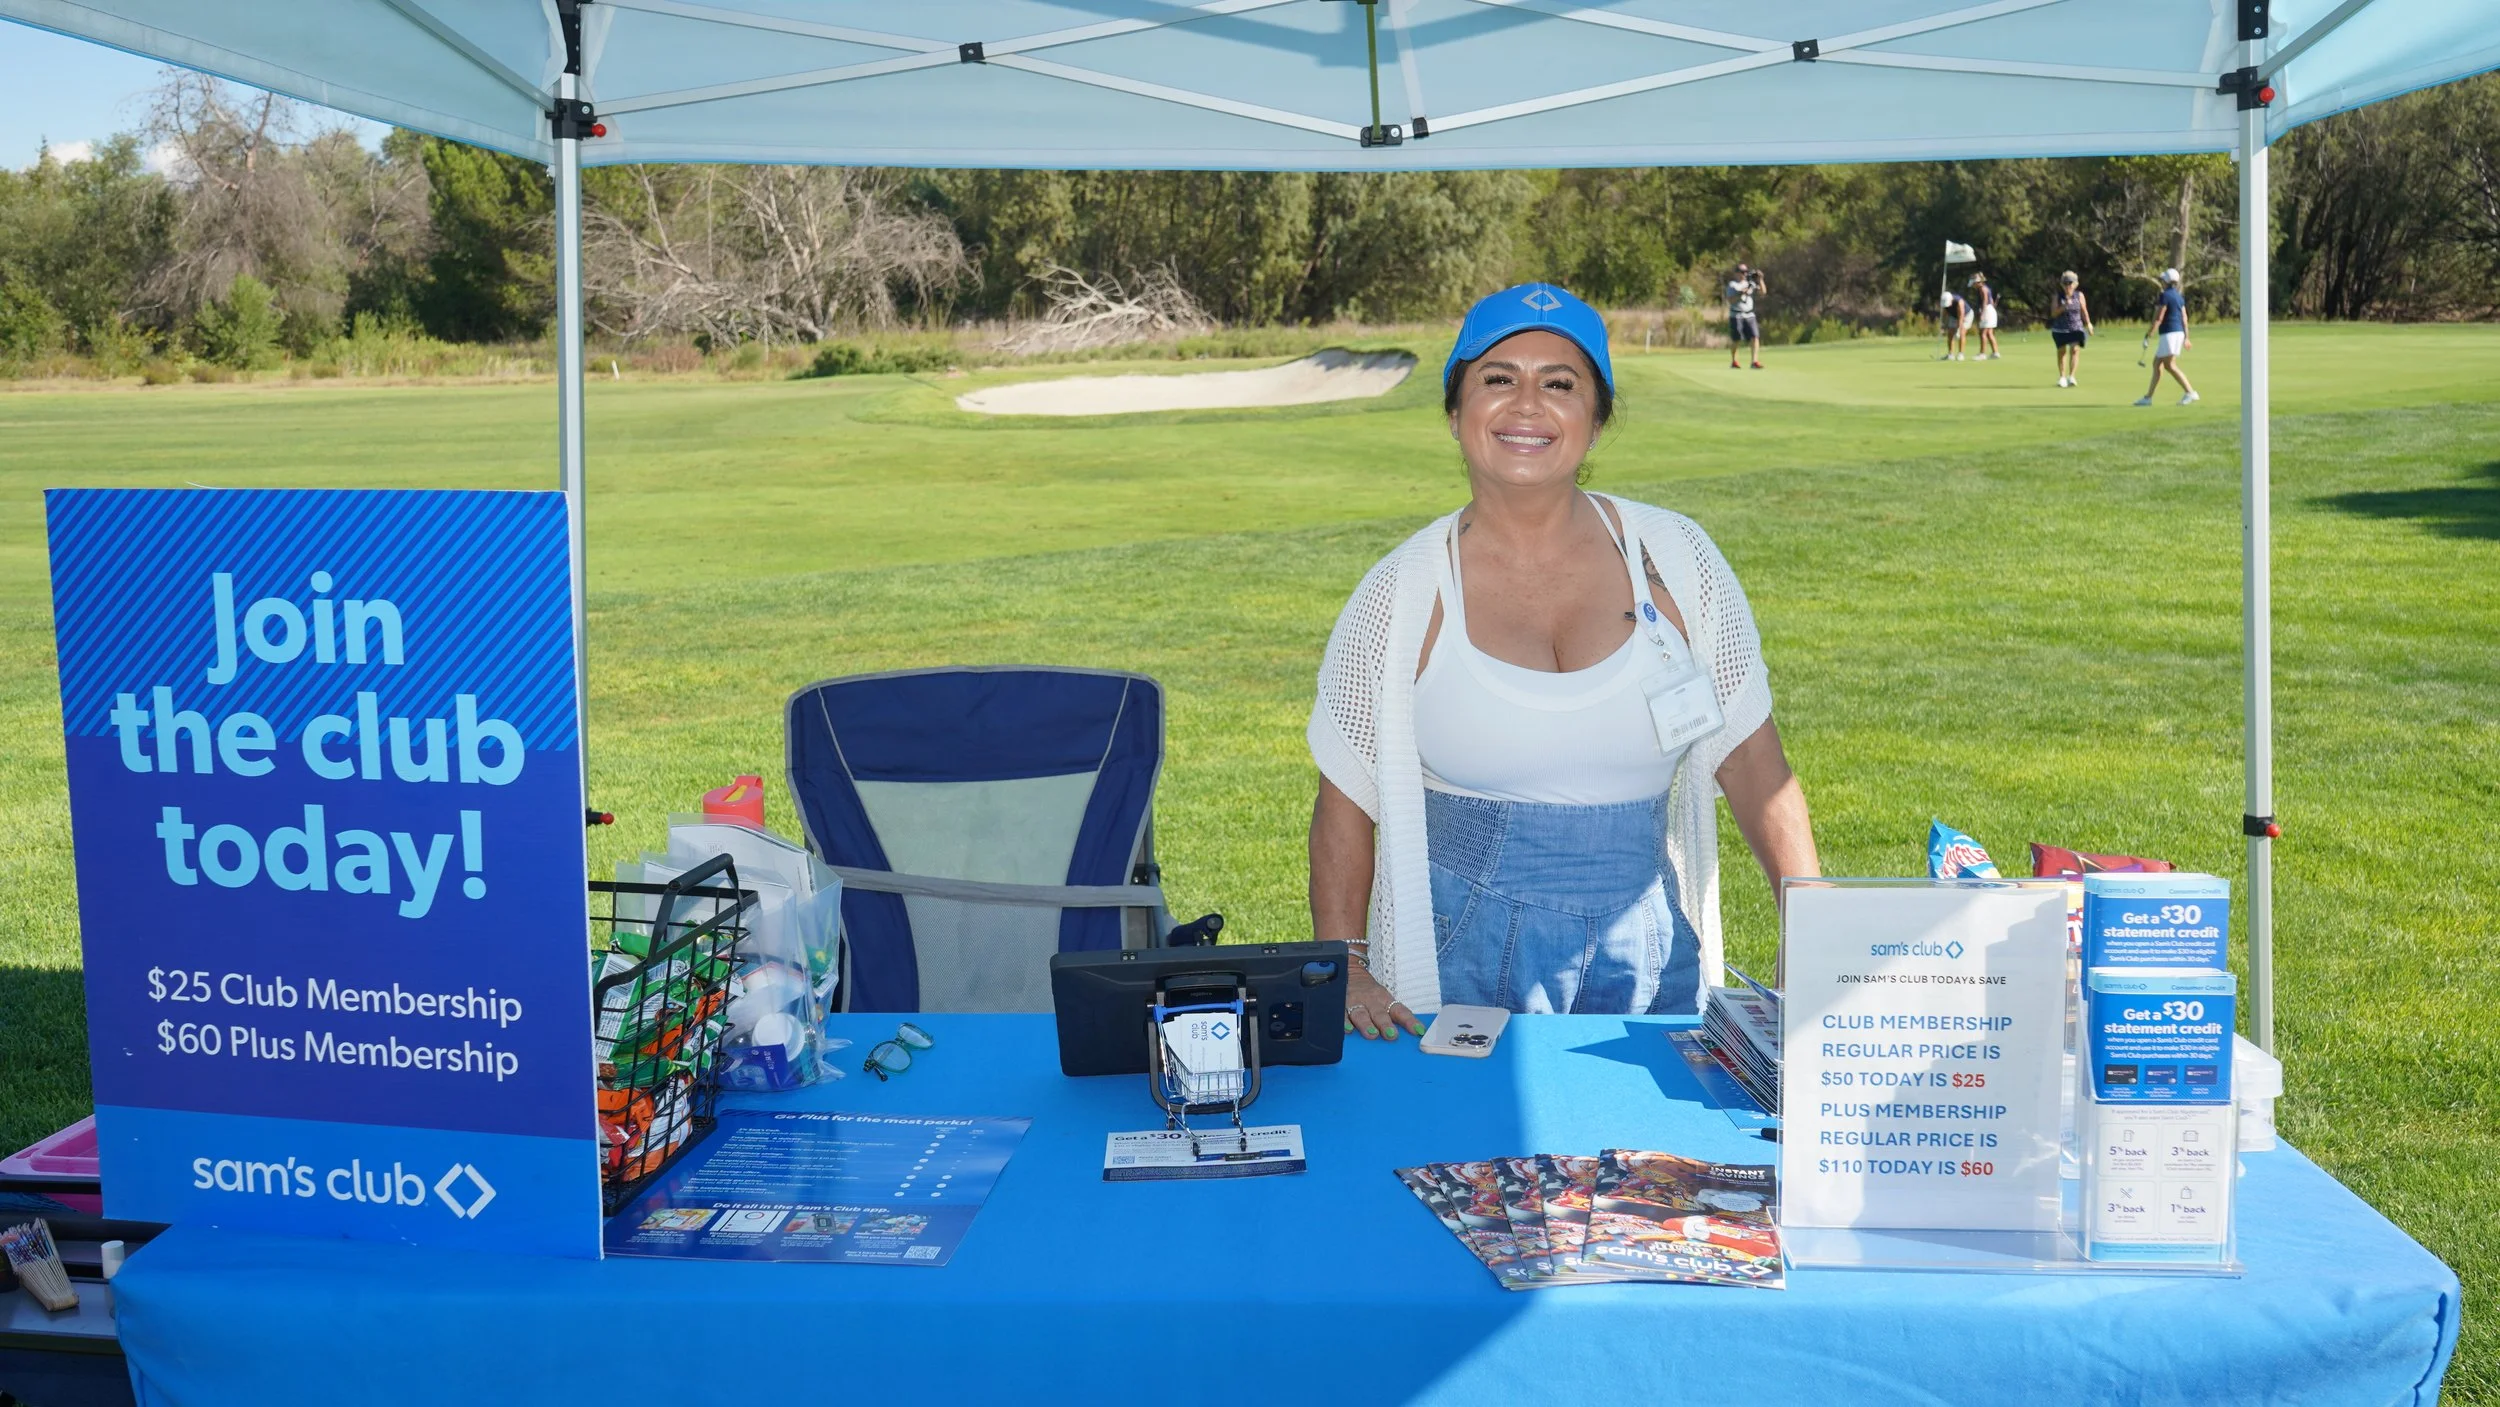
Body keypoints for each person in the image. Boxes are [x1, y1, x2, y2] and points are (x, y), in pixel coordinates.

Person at [1307, 283, 1820, 1038]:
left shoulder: (1680, 561)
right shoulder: (1401, 592)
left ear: (1596, 417)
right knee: (1466, 1156)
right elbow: (1345, 800)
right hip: (1458, 958)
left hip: (1648, 954)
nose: (1526, 404)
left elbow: (1754, 764)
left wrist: (1814, 929)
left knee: (1656, 1156)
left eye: (1559, 383)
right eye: (1497, 378)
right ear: (1455, 414)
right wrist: (1345, 962)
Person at [2137, 268, 2199, 405]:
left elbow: (2159, 317)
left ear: (2165, 281)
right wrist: (2186, 337)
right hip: (2178, 333)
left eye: (2162, 280)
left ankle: (2190, 392)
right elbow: (2184, 318)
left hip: (2170, 334)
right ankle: (2148, 398)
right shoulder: (2178, 296)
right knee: (2157, 364)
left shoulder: (2164, 296)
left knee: (2170, 365)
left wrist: (2149, 334)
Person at [2050, 270, 2093, 388]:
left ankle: (2072, 376)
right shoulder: (2057, 297)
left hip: (2076, 327)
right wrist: (2064, 306)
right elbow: (2053, 313)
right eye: (2066, 283)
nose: (2068, 285)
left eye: (2070, 283)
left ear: (2075, 284)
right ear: (2062, 284)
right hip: (2060, 329)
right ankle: (2062, 377)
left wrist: (2088, 323)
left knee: (2075, 350)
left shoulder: (2079, 295)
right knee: (2062, 352)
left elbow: (2084, 310)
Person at [1725, 264, 1765, 370]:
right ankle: (1734, 360)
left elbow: (1762, 292)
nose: (1744, 274)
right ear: (1737, 273)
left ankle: (1754, 361)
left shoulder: (1750, 284)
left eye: (1746, 272)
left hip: (1749, 314)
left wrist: (1760, 280)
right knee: (1736, 338)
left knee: (1755, 337)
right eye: (1742, 272)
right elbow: (1730, 300)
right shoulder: (1733, 285)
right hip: (1736, 314)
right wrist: (1741, 293)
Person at [1969, 273, 2002, 359]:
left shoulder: (1982, 289)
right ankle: (1995, 352)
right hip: (1990, 310)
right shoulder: (1985, 288)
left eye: (1973, 284)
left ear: (1977, 282)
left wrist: (1982, 313)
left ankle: (1982, 354)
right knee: (1989, 333)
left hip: (1987, 310)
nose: (1973, 286)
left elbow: (1985, 301)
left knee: (1983, 333)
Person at [1938, 286, 1969, 360]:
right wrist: (1943, 325)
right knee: (1950, 333)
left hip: (1966, 315)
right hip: (1953, 316)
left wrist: (1958, 329)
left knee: (1961, 333)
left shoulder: (1959, 301)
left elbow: (1961, 316)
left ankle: (1961, 354)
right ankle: (1950, 355)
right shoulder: (1945, 302)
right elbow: (1945, 314)